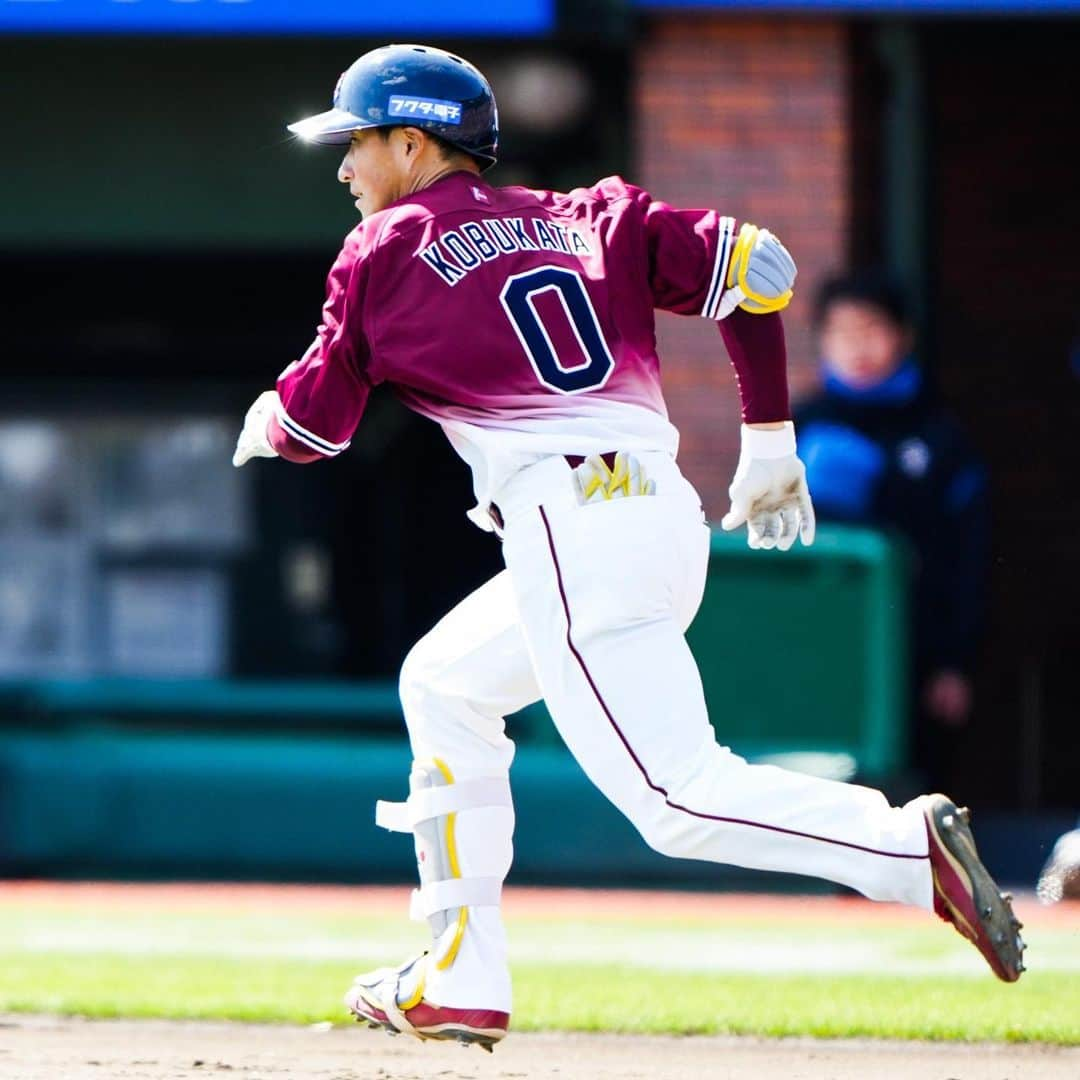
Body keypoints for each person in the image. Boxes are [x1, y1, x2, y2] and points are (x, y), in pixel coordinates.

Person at [232, 44, 1024, 1052]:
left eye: (355, 143)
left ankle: (906, 850)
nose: (345, 167)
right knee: (444, 683)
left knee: (674, 798)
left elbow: (318, 428)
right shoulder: (591, 212)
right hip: (654, 512)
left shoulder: (384, 246)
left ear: (410, 139)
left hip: (569, 525)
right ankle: (458, 970)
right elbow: (758, 268)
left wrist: (266, 419)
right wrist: (770, 438)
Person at [795, 271, 990, 791]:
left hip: (915, 653)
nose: (857, 346)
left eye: (872, 328)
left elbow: (968, 554)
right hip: (815, 645)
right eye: (842, 331)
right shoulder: (799, 426)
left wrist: (955, 660)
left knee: (912, 791)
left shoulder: (940, 436)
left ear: (902, 334)